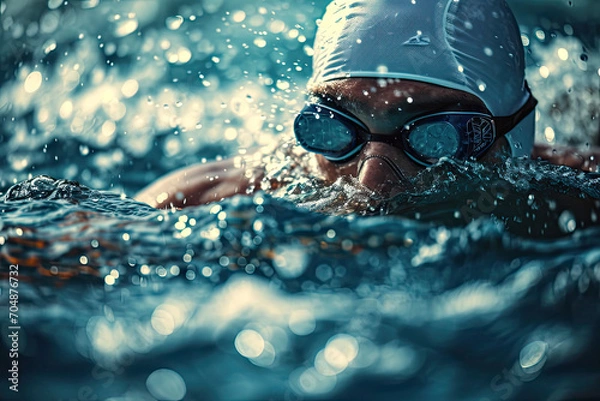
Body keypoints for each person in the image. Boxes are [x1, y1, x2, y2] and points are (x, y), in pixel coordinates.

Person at [135, 0, 599, 210]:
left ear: (513, 132)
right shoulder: (191, 203)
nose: (370, 181)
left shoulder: (578, 198)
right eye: (334, 127)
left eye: (437, 135)